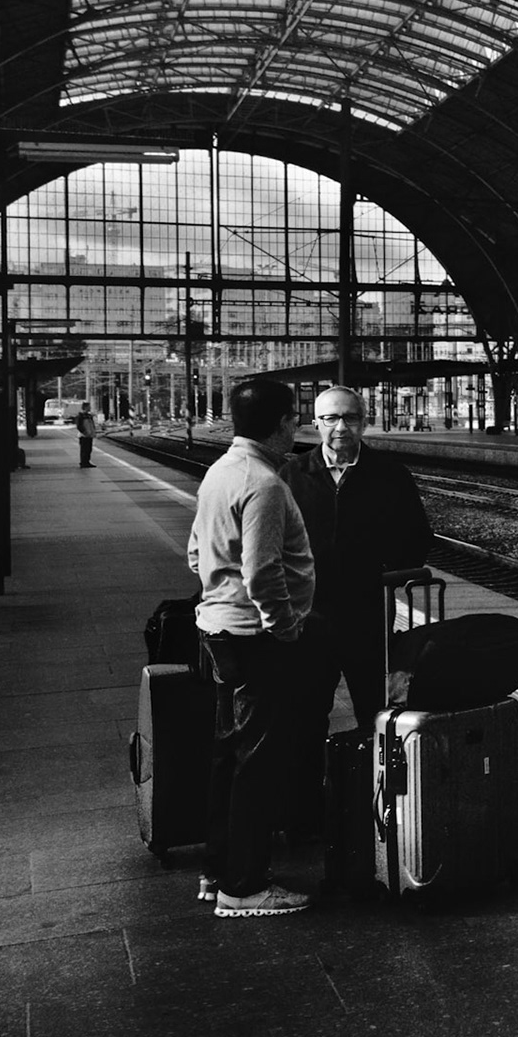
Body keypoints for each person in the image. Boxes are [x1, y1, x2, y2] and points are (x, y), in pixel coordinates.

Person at [188, 378, 316, 918]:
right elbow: (262, 571)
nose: (298, 426)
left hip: (219, 629)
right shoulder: (262, 483)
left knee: (229, 759)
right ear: (279, 423)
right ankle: (244, 887)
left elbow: (196, 553)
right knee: (256, 765)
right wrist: (283, 627)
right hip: (254, 638)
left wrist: (220, 594)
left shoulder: (221, 471)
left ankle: (217, 871)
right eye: (294, 418)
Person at [280, 386, 435, 821]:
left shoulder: (389, 474)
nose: (340, 427)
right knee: (307, 713)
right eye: (331, 418)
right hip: (310, 616)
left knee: (377, 712)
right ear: (316, 423)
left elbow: (418, 537)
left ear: (364, 422)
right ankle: (306, 810)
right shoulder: (294, 475)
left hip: (369, 611)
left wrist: (386, 570)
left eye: (349, 418)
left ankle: (379, 806)